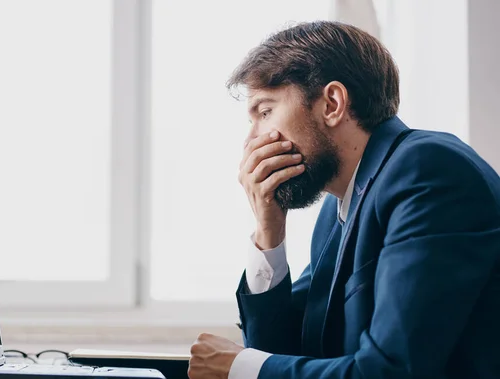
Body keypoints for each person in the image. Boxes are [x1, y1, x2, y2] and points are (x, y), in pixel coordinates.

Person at [187, 21, 500, 379]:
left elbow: (394, 371)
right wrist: (268, 231)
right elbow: (289, 351)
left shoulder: (429, 171)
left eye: (265, 111)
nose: (252, 142)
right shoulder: (338, 208)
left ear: (332, 104)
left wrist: (240, 367)